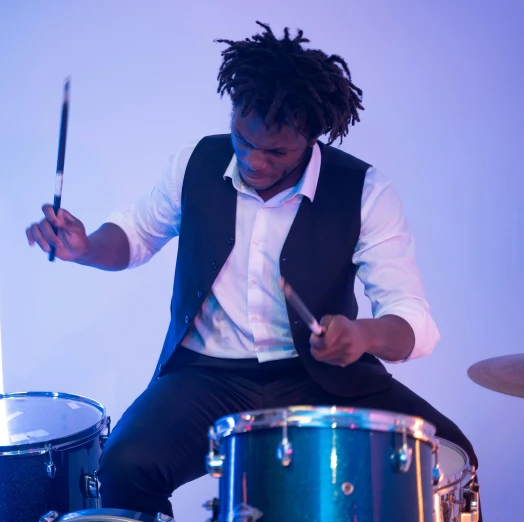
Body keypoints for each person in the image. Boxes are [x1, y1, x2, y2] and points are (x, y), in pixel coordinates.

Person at [26, 22, 478, 519]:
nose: (254, 161)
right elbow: (134, 237)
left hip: (321, 379)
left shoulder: (365, 190)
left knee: (451, 456)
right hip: (206, 377)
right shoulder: (194, 163)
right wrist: (85, 246)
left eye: (276, 151)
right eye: (243, 138)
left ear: (311, 137)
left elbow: (414, 318)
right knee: (124, 465)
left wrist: (363, 336)